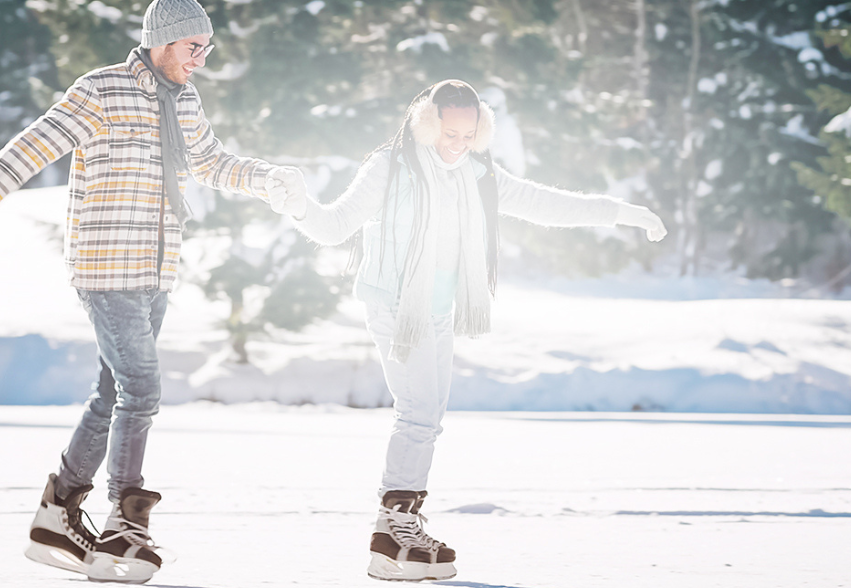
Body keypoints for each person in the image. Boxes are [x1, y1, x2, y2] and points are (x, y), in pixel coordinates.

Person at [0, 0, 309, 582]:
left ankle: (58, 511)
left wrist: (268, 179)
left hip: (156, 271)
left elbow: (210, 162)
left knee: (111, 395)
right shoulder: (101, 90)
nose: (200, 59)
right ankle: (125, 520)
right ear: (162, 40)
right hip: (106, 267)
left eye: (207, 49)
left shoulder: (184, 101)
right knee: (142, 388)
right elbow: (30, 148)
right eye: (194, 46)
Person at [280, 79, 667, 581]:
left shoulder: (477, 174)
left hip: (441, 310)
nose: (456, 144)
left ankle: (402, 524)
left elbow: (545, 204)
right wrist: (296, 204)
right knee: (418, 415)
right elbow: (333, 227)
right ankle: (391, 532)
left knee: (429, 417)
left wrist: (621, 212)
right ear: (427, 122)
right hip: (399, 309)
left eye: (467, 134)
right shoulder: (390, 168)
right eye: (449, 132)